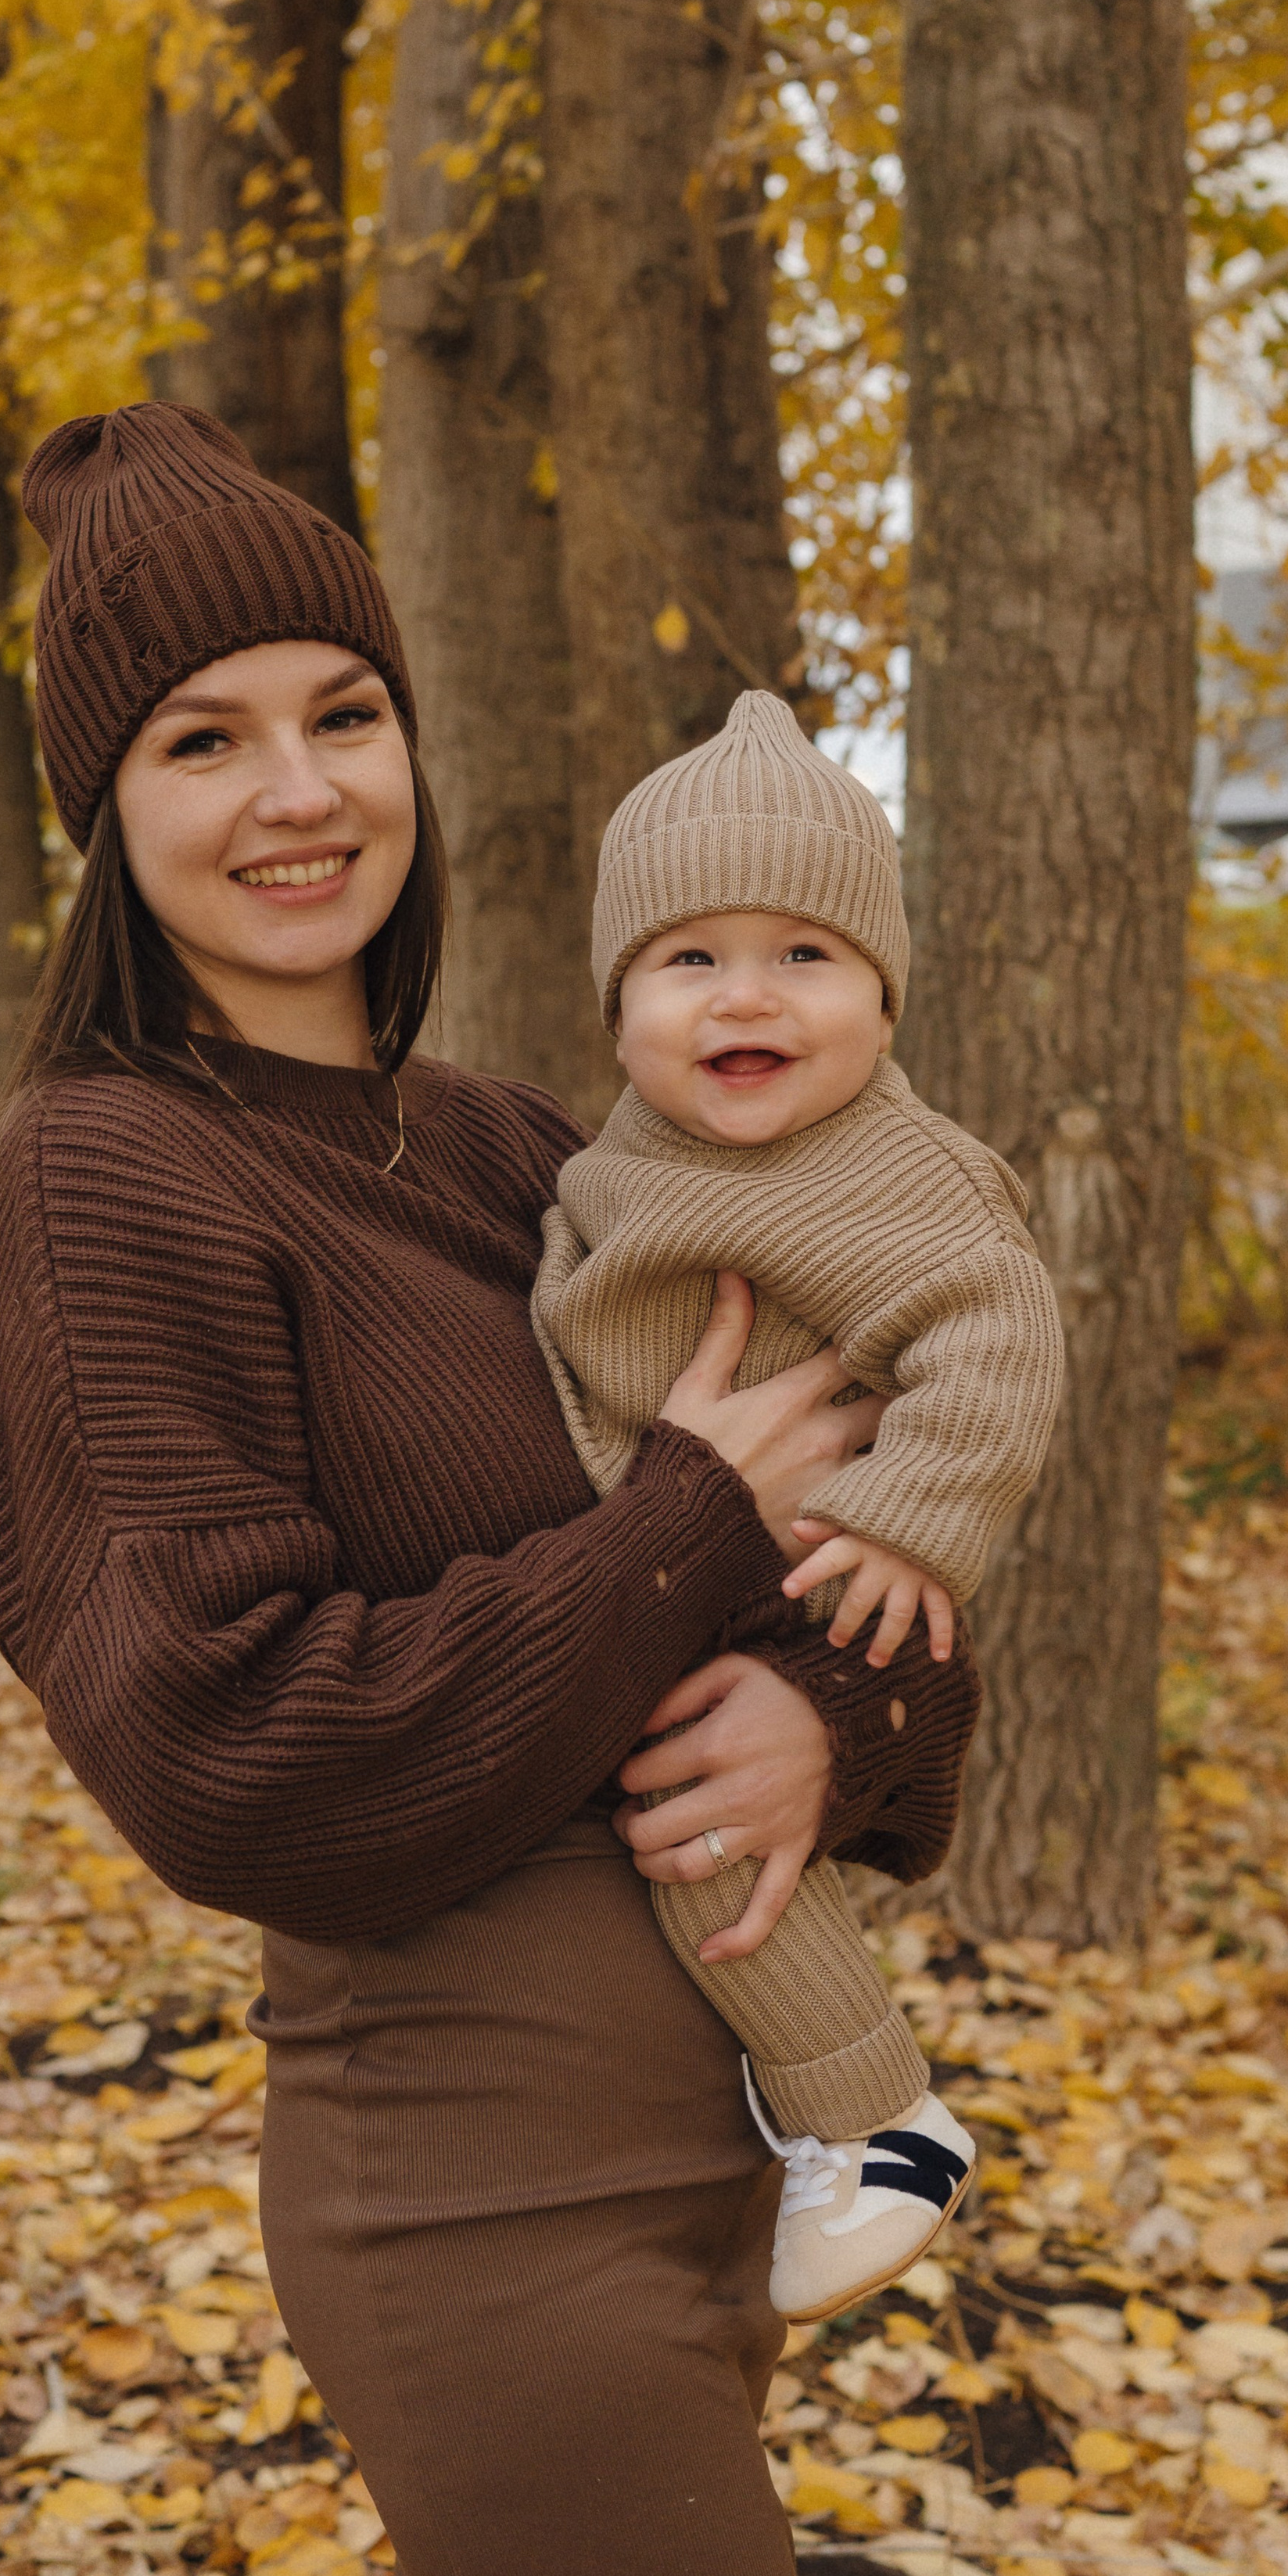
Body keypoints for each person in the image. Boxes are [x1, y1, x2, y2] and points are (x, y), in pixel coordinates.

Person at [0, 402, 982, 2576]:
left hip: (721, 2158)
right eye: (204, 739)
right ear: (107, 806)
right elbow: (239, 1759)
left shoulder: (514, 1148)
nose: (298, 791)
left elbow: (884, 1539)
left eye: (345, 714)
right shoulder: (102, 1179)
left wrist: (827, 1717)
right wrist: (681, 1530)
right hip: (487, 2206)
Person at [532, 688, 1066, 2321]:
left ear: (883, 1000)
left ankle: (874, 2115)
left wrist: (912, 1513)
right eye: (688, 958)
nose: (745, 993)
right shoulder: (620, 1155)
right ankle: (842, 2102)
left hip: (817, 1564)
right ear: (619, 1002)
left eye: (804, 956)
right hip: (652, 1556)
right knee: (691, 1822)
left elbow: (1002, 1333)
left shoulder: (897, 1173)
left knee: (699, 1829)